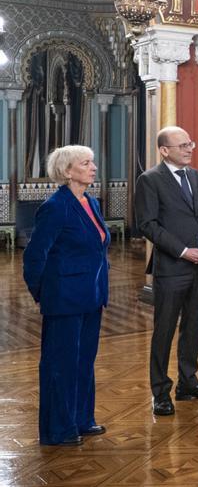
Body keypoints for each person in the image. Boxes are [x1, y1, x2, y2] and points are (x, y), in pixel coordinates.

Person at [135, 126, 198, 417]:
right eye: (182, 145)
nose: (189, 149)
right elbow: (148, 225)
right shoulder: (149, 180)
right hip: (172, 267)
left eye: (191, 143)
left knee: (194, 327)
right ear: (164, 150)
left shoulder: (196, 177)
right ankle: (160, 392)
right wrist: (184, 251)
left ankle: (188, 383)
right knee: (164, 331)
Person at [23, 146, 109, 445]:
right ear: (67, 171)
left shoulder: (91, 202)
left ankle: (82, 420)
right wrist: (44, 294)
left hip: (92, 297)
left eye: (92, 161)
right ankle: (59, 429)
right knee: (61, 366)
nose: (93, 167)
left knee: (84, 362)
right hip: (63, 300)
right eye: (86, 163)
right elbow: (34, 256)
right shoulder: (55, 206)